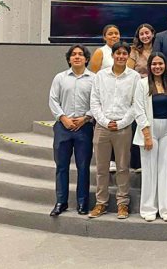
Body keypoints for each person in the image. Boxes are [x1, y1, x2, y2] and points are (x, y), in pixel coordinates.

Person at [88, 42, 148, 220]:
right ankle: (101, 203)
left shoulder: (135, 77)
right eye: (118, 53)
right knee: (102, 168)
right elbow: (94, 101)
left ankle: (123, 204)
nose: (121, 57)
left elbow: (135, 104)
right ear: (113, 55)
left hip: (123, 127)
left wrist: (122, 123)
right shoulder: (100, 76)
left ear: (127, 56)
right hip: (102, 127)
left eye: (124, 54)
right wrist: (105, 121)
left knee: (122, 168)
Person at [49, 44, 95, 217]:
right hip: (63, 127)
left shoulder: (94, 79)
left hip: (85, 127)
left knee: (83, 166)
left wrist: (86, 118)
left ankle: (83, 202)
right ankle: (61, 201)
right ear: (69, 59)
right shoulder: (60, 78)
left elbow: (97, 102)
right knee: (61, 166)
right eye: (73, 54)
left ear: (86, 58)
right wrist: (63, 118)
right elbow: (53, 100)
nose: (77, 57)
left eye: (80, 54)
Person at [134, 52, 167, 221]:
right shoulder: (142, 84)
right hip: (149, 130)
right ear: (149, 66)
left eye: (160, 64)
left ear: (165, 65)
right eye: (154, 64)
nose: (157, 67)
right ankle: (148, 209)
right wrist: (146, 134)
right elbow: (138, 110)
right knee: (150, 170)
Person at [127, 23, 156, 173]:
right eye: (142, 34)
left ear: (152, 34)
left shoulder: (158, 49)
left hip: (155, 89)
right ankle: (136, 162)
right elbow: (129, 71)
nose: (145, 36)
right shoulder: (134, 51)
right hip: (138, 90)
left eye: (147, 33)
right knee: (138, 123)